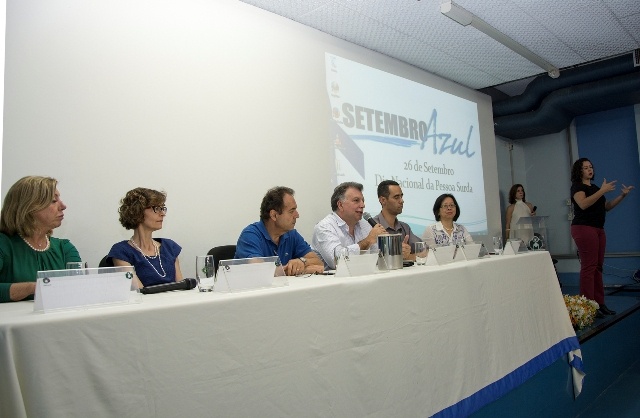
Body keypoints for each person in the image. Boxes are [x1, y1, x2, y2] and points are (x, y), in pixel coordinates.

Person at [0, 176, 81, 303]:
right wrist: (33, 288)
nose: (63, 206)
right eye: (54, 201)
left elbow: (78, 288)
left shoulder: (65, 248)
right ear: (28, 207)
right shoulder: (3, 244)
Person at [570, 158, 634, 317]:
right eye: (585, 167)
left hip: (598, 229)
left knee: (598, 267)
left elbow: (607, 207)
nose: (589, 169)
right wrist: (602, 191)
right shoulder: (577, 187)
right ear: (579, 171)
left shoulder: (597, 188)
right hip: (584, 228)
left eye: (591, 167)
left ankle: (599, 303)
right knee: (589, 266)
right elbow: (583, 204)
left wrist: (622, 196)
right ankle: (588, 305)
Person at [235, 186, 324, 275]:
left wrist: (302, 262)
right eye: (291, 211)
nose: (297, 215)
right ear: (274, 215)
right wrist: (298, 270)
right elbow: (259, 270)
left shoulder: (291, 234)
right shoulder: (250, 235)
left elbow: (318, 263)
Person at [108, 188, 183, 288]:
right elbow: (138, 292)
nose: (163, 214)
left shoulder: (170, 247)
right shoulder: (121, 252)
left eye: (163, 208)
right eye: (156, 208)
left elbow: (182, 288)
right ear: (138, 211)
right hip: (146, 303)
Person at [312, 182, 387, 269]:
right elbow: (336, 261)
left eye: (363, 201)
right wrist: (367, 241)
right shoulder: (324, 227)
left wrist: (390, 248)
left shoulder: (365, 225)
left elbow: (379, 258)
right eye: (356, 200)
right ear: (340, 205)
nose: (363, 205)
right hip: (335, 281)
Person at [373, 180, 421, 260]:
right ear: (383, 200)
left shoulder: (405, 227)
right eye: (396, 197)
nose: (402, 201)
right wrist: (398, 255)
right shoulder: (371, 226)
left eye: (401, 196)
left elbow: (425, 250)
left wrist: (407, 256)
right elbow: (372, 259)